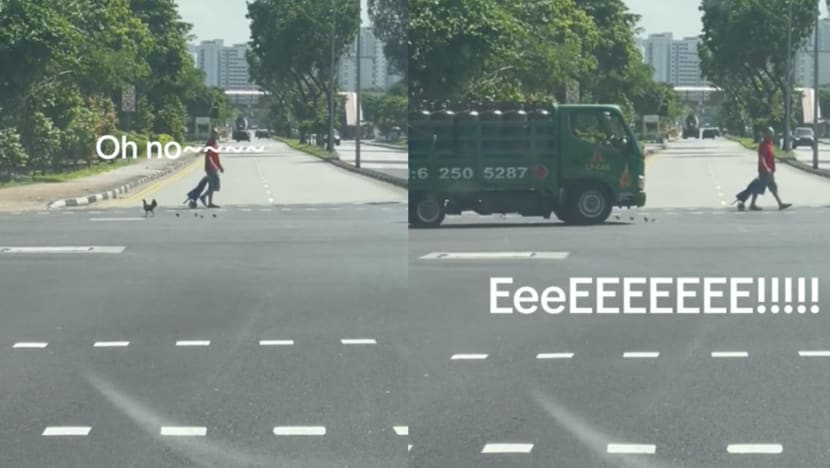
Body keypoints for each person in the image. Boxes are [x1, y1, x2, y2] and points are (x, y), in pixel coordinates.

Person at [738, 127, 791, 211]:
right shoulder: (764, 145)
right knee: (757, 187)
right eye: (770, 133)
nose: (772, 135)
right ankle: (747, 203)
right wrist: (766, 168)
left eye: (772, 133)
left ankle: (780, 203)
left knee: (771, 187)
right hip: (765, 172)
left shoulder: (769, 144)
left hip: (769, 171)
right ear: (765, 134)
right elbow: (761, 158)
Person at [201, 128, 224, 208]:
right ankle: (207, 200)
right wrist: (213, 166)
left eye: (216, 133)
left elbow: (216, 157)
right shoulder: (210, 143)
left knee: (215, 185)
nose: (215, 134)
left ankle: (207, 199)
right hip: (210, 168)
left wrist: (220, 166)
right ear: (211, 134)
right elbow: (209, 157)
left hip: (214, 167)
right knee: (213, 185)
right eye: (213, 133)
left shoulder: (215, 143)